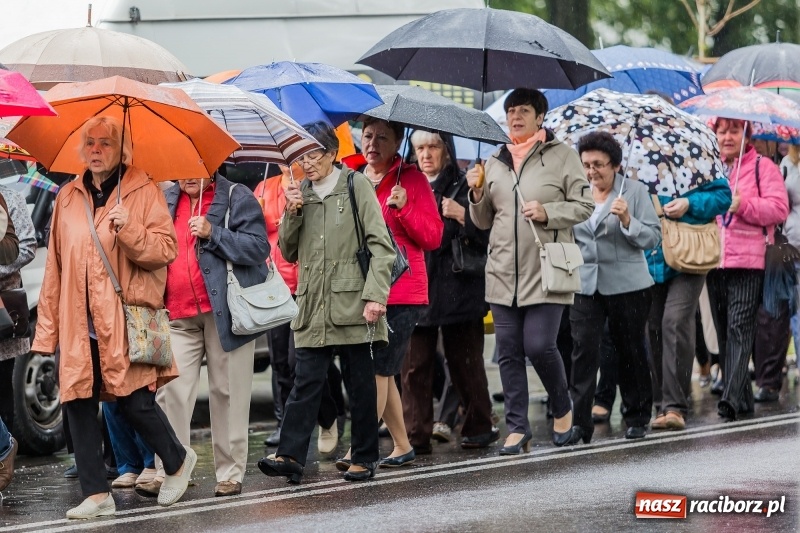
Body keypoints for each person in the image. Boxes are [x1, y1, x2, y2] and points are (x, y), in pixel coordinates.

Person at [31, 116, 195, 518]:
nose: (96, 151)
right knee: (77, 401)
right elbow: (54, 267)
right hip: (77, 322)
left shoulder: (142, 189)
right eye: (90, 143)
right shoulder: (67, 196)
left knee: (135, 402)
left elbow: (165, 250)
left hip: (121, 319)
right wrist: (46, 332)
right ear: (81, 150)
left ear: (121, 149)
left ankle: (176, 461)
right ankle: (96, 494)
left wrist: (131, 229)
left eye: (105, 143)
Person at [257, 121, 395, 483]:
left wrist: (376, 296)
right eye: (303, 156)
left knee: (360, 383)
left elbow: (382, 246)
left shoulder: (355, 184)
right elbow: (287, 251)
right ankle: (289, 455)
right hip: (312, 304)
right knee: (305, 383)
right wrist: (292, 212)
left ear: (332, 153)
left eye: (315, 154)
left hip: (354, 302)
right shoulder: (301, 191)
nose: (308, 162)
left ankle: (365, 456)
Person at [468, 88, 594, 452]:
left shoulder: (562, 156)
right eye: (510, 111)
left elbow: (584, 205)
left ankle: (562, 405)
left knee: (539, 345)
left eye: (524, 110)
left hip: (546, 268)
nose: (515, 116)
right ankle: (518, 426)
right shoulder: (493, 161)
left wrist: (549, 212)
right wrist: (476, 194)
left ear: (540, 117)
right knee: (507, 350)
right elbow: (482, 221)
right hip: (503, 270)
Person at [150, 168, 269, 498]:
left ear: (211, 164)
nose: (185, 174)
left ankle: (230, 472)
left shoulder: (236, 196)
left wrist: (213, 232)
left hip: (224, 314)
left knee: (227, 392)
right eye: (180, 165)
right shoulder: (166, 198)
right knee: (170, 392)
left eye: (194, 166)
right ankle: (172, 467)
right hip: (177, 313)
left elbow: (259, 247)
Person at [340, 118, 443, 466]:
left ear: (398, 142)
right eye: (368, 136)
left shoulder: (412, 181)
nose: (373, 143)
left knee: (379, 370)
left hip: (402, 291)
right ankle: (402, 444)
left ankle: (361, 448)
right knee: (379, 370)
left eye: (383, 137)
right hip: (364, 289)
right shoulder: (350, 179)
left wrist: (407, 208)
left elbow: (433, 237)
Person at [401, 129, 495, 454]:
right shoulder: (406, 183)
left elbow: (487, 236)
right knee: (415, 365)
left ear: (446, 150)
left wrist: (463, 213)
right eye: (420, 148)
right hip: (419, 284)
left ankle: (479, 426)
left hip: (460, 285)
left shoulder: (466, 182)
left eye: (433, 147)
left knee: (465, 363)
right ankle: (415, 435)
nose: (426, 154)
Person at [570, 132, 661, 442]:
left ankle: (637, 415)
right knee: (583, 350)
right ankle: (579, 423)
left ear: (616, 165)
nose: (592, 171)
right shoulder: (577, 192)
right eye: (586, 164)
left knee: (630, 350)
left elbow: (651, 238)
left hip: (628, 285)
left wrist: (627, 220)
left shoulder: (634, 192)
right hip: (585, 284)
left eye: (599, 164)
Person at [254, 163, 343, 453]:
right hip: (273, 286)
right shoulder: (264, 188)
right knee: (280, 361)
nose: (289, 162)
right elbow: (254, 236)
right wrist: (254, 215)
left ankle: (328, 414)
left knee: (300, 360)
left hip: (307, 284)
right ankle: (283, 422)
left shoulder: (312, 186)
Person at [706, 118, 789, 421]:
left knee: (740, 327)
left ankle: (729, 395)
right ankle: (742, 402)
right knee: (725, 332)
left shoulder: (762, 167)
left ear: (746, 134)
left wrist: (742, 204)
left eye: (734, 130)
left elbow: (778, 208)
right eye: (722, 131)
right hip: (714, 260)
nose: (727, 137)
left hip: (749, 261)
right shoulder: (710, 168)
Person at [646, 135, 731, 431]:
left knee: (675, 321)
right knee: (652, 326)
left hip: (690, 254)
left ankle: (674, 405)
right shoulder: (636, 165)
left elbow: (723, 197)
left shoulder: (697, 156)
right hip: (651, 256)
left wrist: (690, 203)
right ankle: (659, 402)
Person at [0, 189, 30, 493]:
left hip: (4, 308)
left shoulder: (10, 195)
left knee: (2, 384)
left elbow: (28, 246)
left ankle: (4, 460)